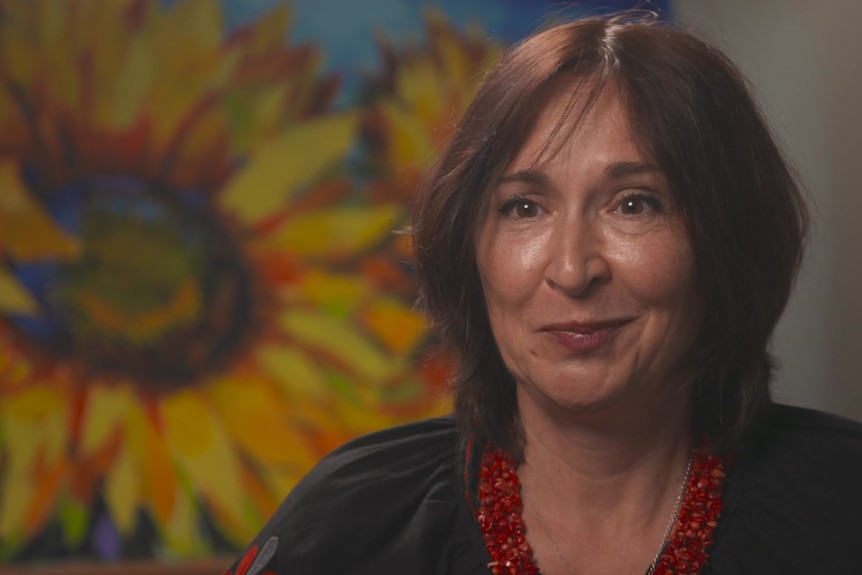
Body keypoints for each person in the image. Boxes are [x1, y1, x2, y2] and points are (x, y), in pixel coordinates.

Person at [223, 12, 862, 575]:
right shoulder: (347, 525)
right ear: (469, 249)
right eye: (524, 207)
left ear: (726, 241)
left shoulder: (841, 505)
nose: (571, 268)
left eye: (634, 203)